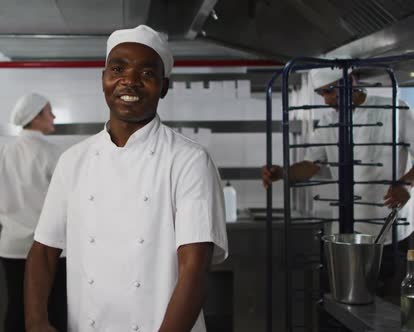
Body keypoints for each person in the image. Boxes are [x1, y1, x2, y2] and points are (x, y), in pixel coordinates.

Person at [24, 25, 228, 332]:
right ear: (103, 78)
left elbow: (194, 270)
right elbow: (43, 250)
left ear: (164, 86)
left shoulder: (188, 160)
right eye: (118, 68)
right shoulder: (74, 160)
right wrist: (36, 321)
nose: (129, 81)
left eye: (147, 73)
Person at [262, 68, 414, 299]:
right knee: (345, 303)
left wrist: (405, 184)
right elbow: (311, 165)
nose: (327, 99)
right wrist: (282, 172)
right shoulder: (327, 122)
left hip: (390, 229)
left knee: (390, 304)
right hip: (346, 231)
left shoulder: (394, 110)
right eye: (321, 93)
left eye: (331, 91)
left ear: (351, 81)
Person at [0, 93, 66, 332]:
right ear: (36, 116)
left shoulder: (1, 153)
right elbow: (68, 204)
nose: (54, 116)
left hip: (12, 247)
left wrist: (14, 219)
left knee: (18, 309)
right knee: (53, 311)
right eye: (49, 111)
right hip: (52, 249)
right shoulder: (55, 153)